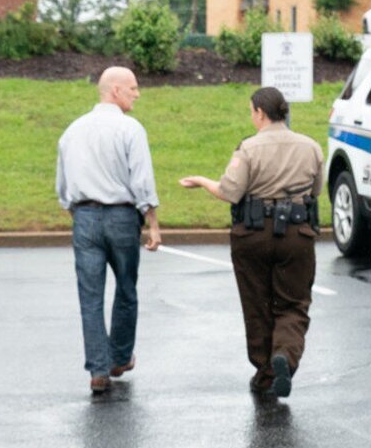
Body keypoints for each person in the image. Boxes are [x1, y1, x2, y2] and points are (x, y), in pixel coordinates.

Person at [179, 86, 324, 399]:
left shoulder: (248, 148)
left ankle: (265, 373)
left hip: (253, 234)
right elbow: (316, 190)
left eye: (251, 112)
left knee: (257, 303)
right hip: (297, 233)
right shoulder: (311, 147)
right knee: (294, 304)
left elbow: (230, 192)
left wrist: (202, 181)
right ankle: (284, 355)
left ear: (260, 112)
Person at [56, 66, 161, 395]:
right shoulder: (130, 129)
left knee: (90, 298)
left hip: (84, 217)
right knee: (126, 290)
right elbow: (141, 180)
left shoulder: (72, 131)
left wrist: (76, 209)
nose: (137, 93)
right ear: (115, 90)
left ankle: (98, 370)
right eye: (132, 88)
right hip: (121, 217)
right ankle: (119, 358)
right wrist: (153, 222)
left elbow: (63, 185)